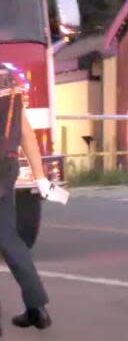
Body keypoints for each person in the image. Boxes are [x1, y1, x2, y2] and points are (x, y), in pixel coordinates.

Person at [0, 63, 52, 331]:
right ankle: (36, 308)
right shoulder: (7, 79)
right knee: (9, 238)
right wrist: (40, 176)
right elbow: (26, 134)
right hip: (6, 167)